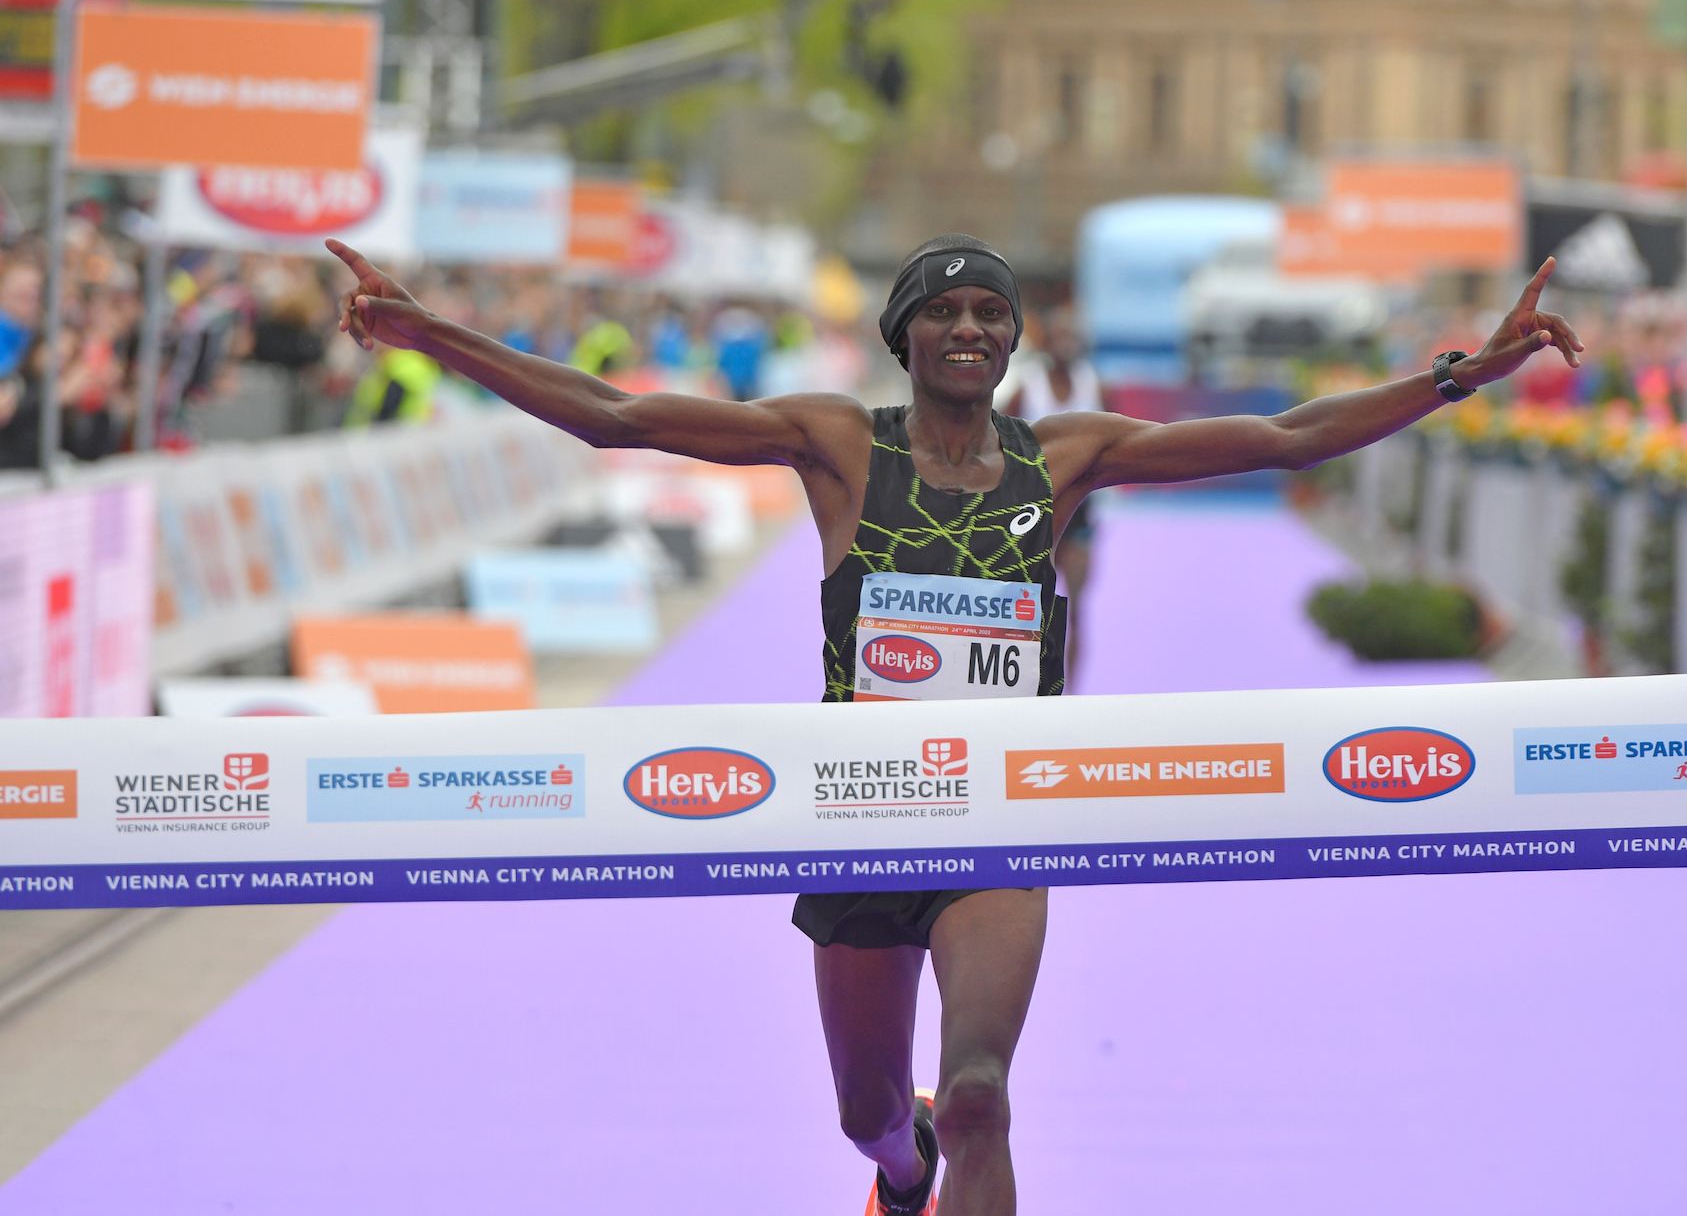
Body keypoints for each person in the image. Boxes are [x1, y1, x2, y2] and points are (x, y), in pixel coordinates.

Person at [327, 233, 1582, 1216]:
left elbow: (1285, 434)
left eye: (992, 312)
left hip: (1000, 821)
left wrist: (1464, 368)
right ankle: (902, 1174)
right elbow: (618, 415)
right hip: (856, 823)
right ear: (904, 336)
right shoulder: (832, 445)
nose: (971, 327)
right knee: (874, 1111)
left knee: (981, 1093)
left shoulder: (1067, 454)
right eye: (945, 309)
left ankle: (948, 1146)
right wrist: (428, 332)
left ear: (1014, 341)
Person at [1000, 306, 1105, 688]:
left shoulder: (1094, 385)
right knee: (1026, 612)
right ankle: (1021, 688)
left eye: (1072, 335)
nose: (1066, 343)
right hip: (1031, 517)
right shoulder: (1027, 388)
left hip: (1079, 516)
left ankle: (1072, 694)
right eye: (1059, 335)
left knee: (1077, 612)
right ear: (1047, 341)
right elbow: (998, 444)